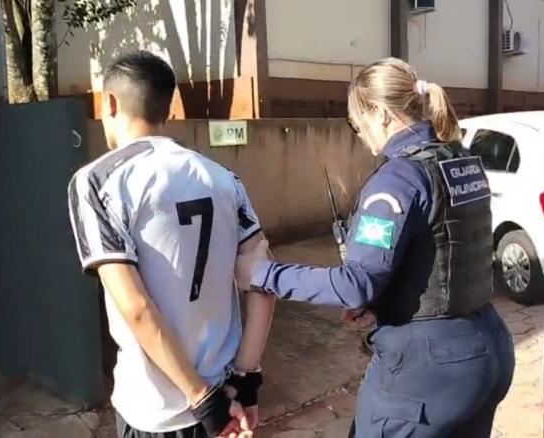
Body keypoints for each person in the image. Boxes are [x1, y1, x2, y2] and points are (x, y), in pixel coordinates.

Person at [236, 58, 515, 437]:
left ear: (381, 114)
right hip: (488, 349)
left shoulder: (399, 178)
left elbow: (355, 284)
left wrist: (264, 274)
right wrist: (384, 303)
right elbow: (440, 254)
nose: (360, 134)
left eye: (357, 123)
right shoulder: (459, 161)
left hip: (428, 369)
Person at [67, 51, 275, 438]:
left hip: (158, 411)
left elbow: (137, 308)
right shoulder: (222, 176)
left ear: (109, 103)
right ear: (169, 107)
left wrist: (202, 398)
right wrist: (245, 383)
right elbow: (265, 282)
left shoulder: (97, 181)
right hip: (225, 398)